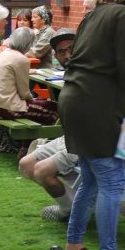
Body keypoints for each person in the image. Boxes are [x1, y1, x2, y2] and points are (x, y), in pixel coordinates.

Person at [59, 0, 125, 250]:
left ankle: (73, 245)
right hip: (96, 106)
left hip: (73, 100)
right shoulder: (124, 16)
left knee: (91, 178)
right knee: (112, 182)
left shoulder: (93, 15)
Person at [18, 28, 78, 222]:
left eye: (71, 49)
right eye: (62, 51)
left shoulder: (89, 73)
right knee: (26, 165)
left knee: (41, 171)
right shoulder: (69, 74)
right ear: (56, 56)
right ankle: (73, 205)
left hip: (86, 141)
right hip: (69, 136)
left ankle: (69, 210)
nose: (67, 55)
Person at [0, 28, 59, 126]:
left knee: (41, 106)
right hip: (4, 108)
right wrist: (33, 100)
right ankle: (43, 138)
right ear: (29, 43)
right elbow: (24, 93)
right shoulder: (21, 59)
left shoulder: (4, 53)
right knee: (53, 108)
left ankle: (28, 139)